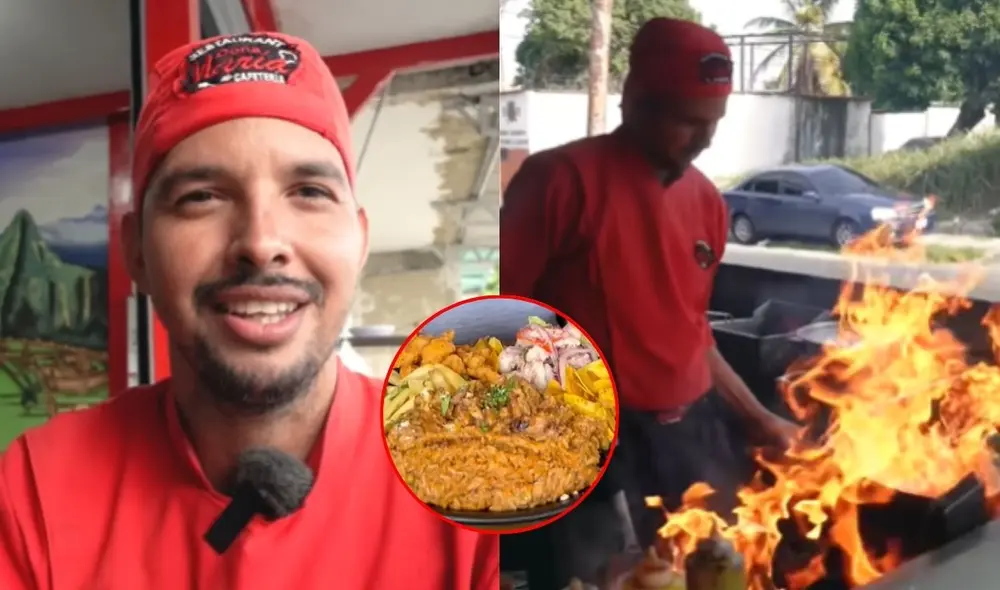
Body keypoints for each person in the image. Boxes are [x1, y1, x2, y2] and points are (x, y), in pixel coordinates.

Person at [0, 33, 498, 589]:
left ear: (358, 243)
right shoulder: (35, 489)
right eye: (202, 197)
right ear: (136, 253)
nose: (261, 242)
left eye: (309, 191)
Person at [499, 17, 798, 585]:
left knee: (722, 571)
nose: (703, 138)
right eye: (687, 121)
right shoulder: (560, 180)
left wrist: (759, 419)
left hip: (696, 437)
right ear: (634, 101)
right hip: (596, 441)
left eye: (713, 122)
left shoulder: (708, 201)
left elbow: (694, 333)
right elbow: (500, 320)